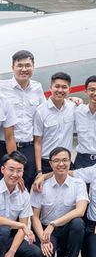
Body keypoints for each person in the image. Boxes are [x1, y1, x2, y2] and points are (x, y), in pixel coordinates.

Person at [31, 147, 88, 257]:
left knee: (78, 223)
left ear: (70, 162)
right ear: (50, 164)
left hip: (66, 228)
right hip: (46, 231)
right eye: (56, 161)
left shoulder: (78, 183)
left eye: (64, 160)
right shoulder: (41, 185)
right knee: (43, 254)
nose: (61, 164)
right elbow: (34, 217)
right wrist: (43, 239)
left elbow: (80, 211)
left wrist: (53, 224)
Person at [0, 50, 45, 190]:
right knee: (6, 187)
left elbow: (46, 110)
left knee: (26, 186)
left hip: (28, 147)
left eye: (28, 65)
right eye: (20, 65)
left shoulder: (37, 88)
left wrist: (72, 100)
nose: (24, 69)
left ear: (33, 67)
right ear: (12, 67)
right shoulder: (2, 87)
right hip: (5, 147)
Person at [0, 151, 42, 257]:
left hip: (9, 235)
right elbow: (21, 226)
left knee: (36, 253)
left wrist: (11, 252)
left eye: (19, 170)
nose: (15, 174)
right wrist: (21, 226)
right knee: (3, 230)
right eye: (11, 169)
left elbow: (22, 226)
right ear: (2, 169)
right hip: (2, 233)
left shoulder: (23, 194)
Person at [34, 72, 75, 175]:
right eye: (57, 86)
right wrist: (39, 170)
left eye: (64, 87)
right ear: (50, 88)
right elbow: (37, 142)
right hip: (47, 163)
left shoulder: (73, 107)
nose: (60, 90)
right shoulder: (40, 111)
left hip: (66, 163)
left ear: (69, 89)